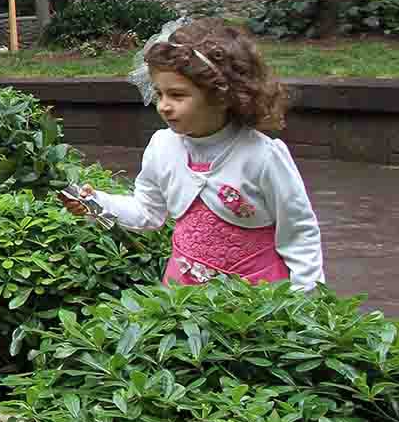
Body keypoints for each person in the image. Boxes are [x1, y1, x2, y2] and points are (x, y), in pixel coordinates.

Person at [62, 17, 323, 289]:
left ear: (221, 96)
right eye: (159, 94)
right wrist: (97, 203)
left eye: (177, 95)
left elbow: (299, 233)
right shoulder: (162, 147)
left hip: (255, 298)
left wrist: (304, 302)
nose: (163, 106)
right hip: (184, 294)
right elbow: (147, 211)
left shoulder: (261, 157)